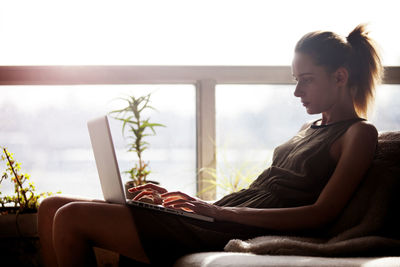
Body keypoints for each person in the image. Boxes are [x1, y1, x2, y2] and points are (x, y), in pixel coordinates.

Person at [38, 24, 383, 267]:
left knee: (71, 217)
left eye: (306, 80)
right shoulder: (310, 127)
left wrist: (217, 213)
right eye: (296, 80)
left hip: (232, 225)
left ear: (340, 76)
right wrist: (190, 204)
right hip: (222, 213)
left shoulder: (359, 134)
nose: (297, 92)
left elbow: (321, 214)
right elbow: (253, 195)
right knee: (50, 206)